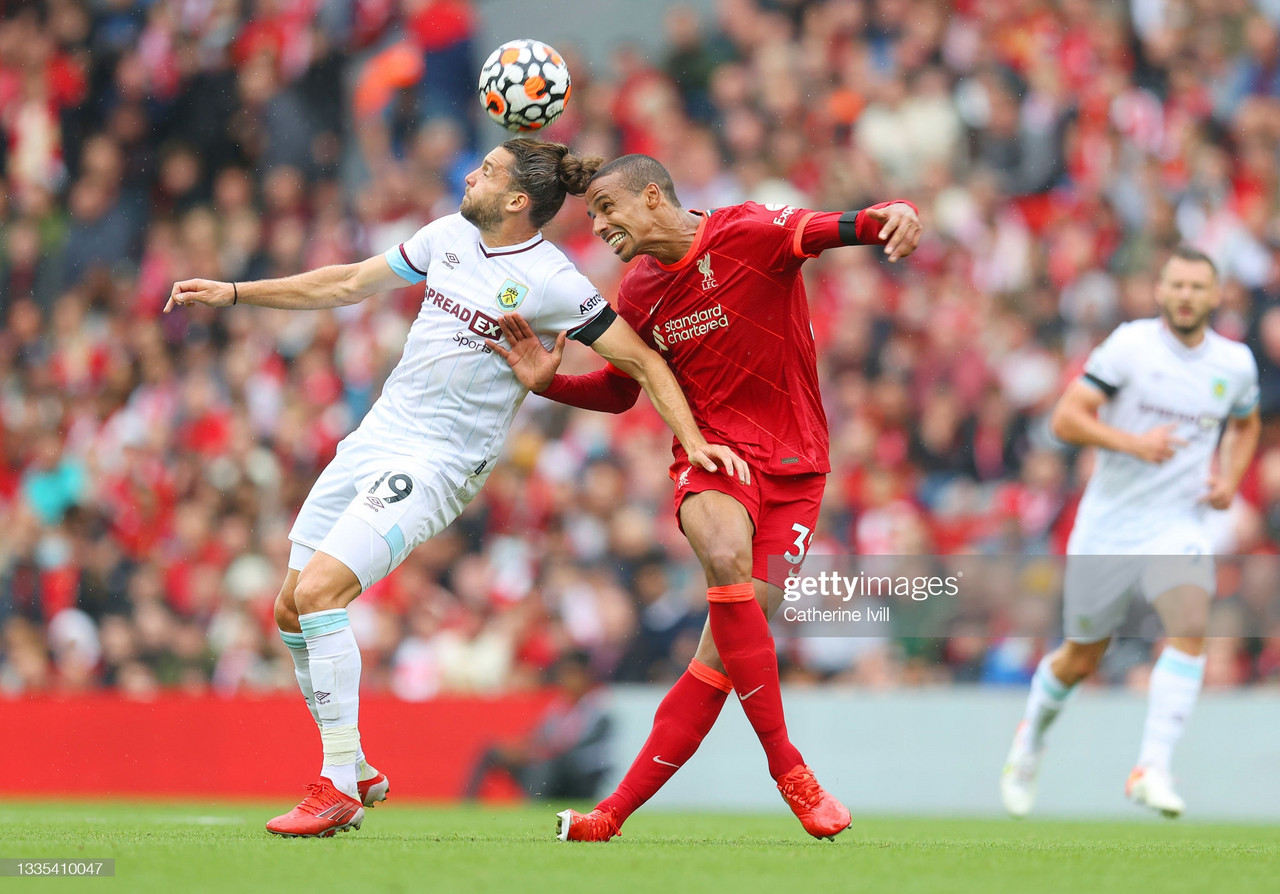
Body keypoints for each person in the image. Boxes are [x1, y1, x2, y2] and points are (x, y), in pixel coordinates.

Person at [165, 139, 749, 839]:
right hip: (374, 438)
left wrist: (695, 441)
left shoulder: (554, 281)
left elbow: (645, 362)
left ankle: (338, 782)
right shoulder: (447, 236)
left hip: (441, 461)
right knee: (290, 610)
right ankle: (355, 768)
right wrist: (234, 292)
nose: (470, 175)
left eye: (488, 170)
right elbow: (348, 283)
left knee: (321, 595)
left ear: (516, 201)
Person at [487, 154, 921, 841]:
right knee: (722, 554)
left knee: (720, 657)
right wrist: (550, 384)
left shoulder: (749, 230)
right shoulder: (637, 293)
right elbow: (622, 388)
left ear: (652, 196)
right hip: (713, 456)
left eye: (608, 210)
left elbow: (826, 228)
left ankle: (610, 816)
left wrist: (889, 216)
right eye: (594, 216)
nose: (599, 227)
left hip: (798, 471)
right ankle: (791, 773)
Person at [1000, 246, 1260, 819]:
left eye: (1198, 286)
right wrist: (1134, 444)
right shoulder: (1129, 347)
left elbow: (1246, 423)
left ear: (1216, 296)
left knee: (1191, 622)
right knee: (1080, 658)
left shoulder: (1235, 363)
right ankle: (1030, 741)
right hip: (1109, 526)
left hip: (1179, 521)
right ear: (1161, 292)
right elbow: (1066, 419)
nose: (1187, 296)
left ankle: (1153, 767)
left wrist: (1230, 479)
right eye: (1178, 285)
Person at [463, 650, 611, 800]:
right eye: (564, 675)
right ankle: (467, 803)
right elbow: (538, 735)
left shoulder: (597, 708)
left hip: (573, 773)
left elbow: (577, 749)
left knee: (544, 765)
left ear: (585, 677)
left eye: (572, 674)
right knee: (492, 751)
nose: (566, 680)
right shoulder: (559, 706)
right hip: (545, 758)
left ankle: (531, 807)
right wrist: (522, 748)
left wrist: (541, 752)